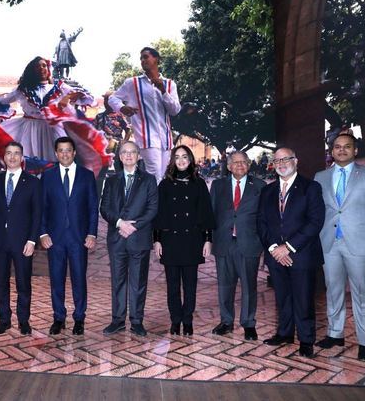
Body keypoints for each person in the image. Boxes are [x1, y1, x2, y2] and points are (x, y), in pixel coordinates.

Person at [314, 134, 365, 362]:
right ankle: (335, 334)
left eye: (347, 147)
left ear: (355, 150)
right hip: (329, 244)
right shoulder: (321, 177)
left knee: (362, 293)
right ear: (331, 151)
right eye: (337, 147)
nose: (342, 150)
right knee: (333, 290)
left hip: (360, 244)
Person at [257, 147, 325, 358]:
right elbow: (261, 223)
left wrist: (288, 247)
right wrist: (273, 249)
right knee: (283, 297)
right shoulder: (267, 191)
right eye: (276, 161)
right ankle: (284, 333)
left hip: (302, 254)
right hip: (275, 255)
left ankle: (306, 340)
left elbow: (315, 222)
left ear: (296, 161)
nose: (281, 163)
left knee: (303, 298)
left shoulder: (310, 187)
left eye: (285, 159)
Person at [0, 56, 96, 167]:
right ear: (32, 71)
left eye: (44, 66)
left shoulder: (60, 87)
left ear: (48, 69)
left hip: (52, 129)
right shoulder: (22, 90)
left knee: (58, 160)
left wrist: (67, 97)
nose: (42, 69)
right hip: (29, 129)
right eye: (38, 67)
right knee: (27, 162)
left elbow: (86, 97)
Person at [204, 151, 265, 341]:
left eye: (244, 162)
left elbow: (264, 218)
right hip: (224, 243)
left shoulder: (260, 186)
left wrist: (263, 244)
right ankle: (226, 322)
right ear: (229, 166)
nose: (240, 165)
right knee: (225, 285)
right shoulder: (217, 185)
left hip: (249, 243)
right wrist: (208, 239)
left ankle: (248, 323)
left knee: (249, 285)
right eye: (235, 162)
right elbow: (210, 214)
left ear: (249, 164)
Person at [40, 137, 98, 335]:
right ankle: (59, 317)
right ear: (56, 154)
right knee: (56, 279)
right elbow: (43, 208)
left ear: (74, 153)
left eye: (68, 150)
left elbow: (92, 208)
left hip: (78, 238)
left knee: (79, 279)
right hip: (54, 239)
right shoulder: (47, 176)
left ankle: (79, 318)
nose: (64, 154)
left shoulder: (87, 176)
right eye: (61, 150)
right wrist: (43, 233)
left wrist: (92, 233)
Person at [154, 145, 214, 335]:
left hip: (192, 241)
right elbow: (159, 214)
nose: (181, 160)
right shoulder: (164, 185)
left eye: (184, 157)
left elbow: (206, 213)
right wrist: (157, 240)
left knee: (190, 285)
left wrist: (207, 240)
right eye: (177, 157)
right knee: (172, 285)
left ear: (190, 160)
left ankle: (187, 320)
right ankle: (175, 320)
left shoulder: (199, 184)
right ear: (172, 160)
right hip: (170, 241)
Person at [100, 141, 158, 336]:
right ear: (120, 156)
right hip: (117, 238)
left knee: (138, 281)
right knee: (118, 280)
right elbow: (104, 208)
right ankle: (117, 320)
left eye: (132, 152)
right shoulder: (111, 180)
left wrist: (133, 226)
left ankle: (136, 321)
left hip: (138, 238)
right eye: (124, 152)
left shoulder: (149, 180)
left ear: (139, 156)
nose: (128, 155)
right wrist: (119, 223)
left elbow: (152, 209)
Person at [0, 142, 41, 336]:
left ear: (22, 157)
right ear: (4, 156)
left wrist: (32, 240)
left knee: (23, 283)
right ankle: (4, 320)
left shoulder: (33, 182)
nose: (12, 157)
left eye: (16, 153)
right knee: (1, 282)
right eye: (8, 153)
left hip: (23, 242)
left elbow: (37, 214)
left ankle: (23, 320)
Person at [109, 47, 181, 183]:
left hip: (166, 140)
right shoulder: (133, 83)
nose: (142, 60)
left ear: (157, 59)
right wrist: (122, 108)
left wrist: (163, 91)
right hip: (146, 137)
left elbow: (175, 110)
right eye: (141, 58)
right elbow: (113, 98)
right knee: (154, 174)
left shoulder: (170, 84)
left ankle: (150, 202)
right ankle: (154, 204)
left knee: (161, 175)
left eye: (146, 57)